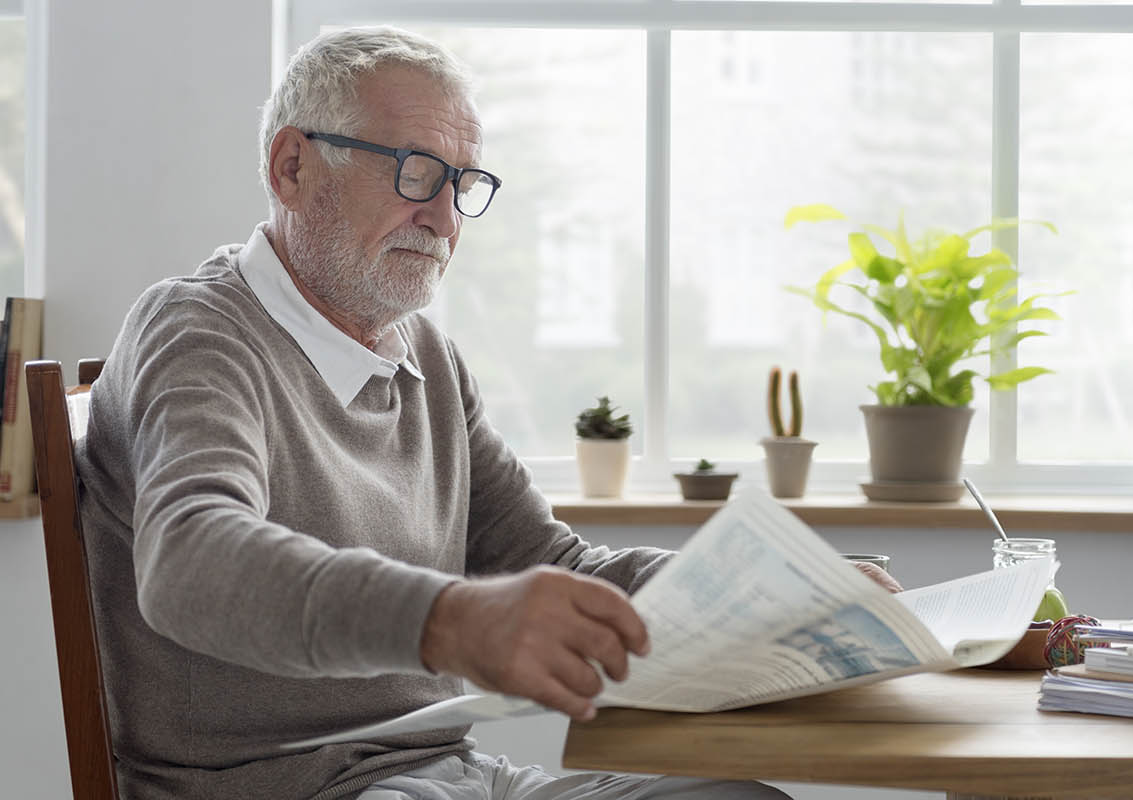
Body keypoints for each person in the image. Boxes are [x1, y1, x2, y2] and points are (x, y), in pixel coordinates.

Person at [76, 25, 897, 800]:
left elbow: (548, 563)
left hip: (451, 773)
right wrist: (449, 619)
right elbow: (191, 563)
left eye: (462, 184)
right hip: (292, 788)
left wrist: (770, 589)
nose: (441, 216)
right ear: (292, 167)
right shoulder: (196, 333)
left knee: (737, 797)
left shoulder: (424, 354)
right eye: (413, 172)